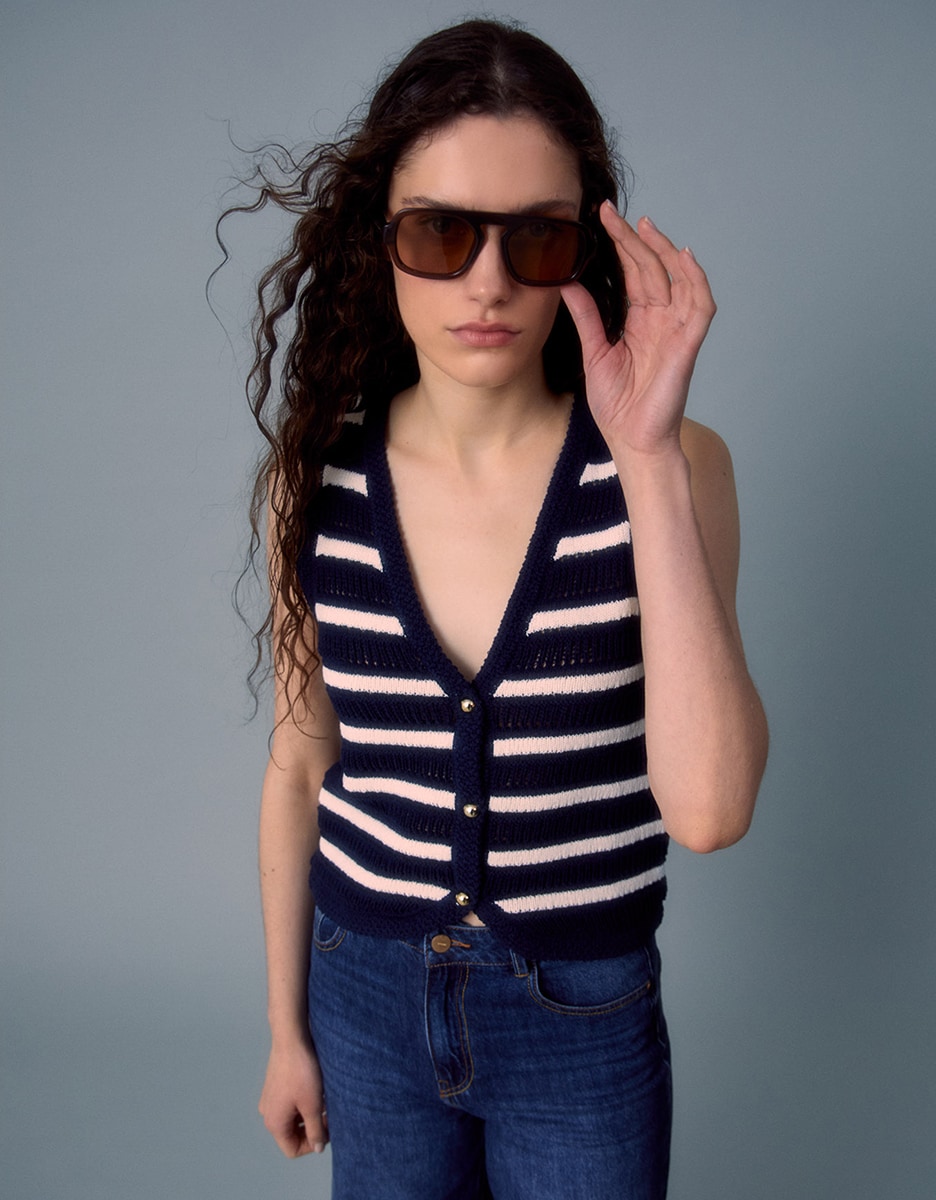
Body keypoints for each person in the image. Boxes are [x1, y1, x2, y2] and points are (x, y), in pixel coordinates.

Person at [231, 18, 768, 1199]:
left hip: (579, 1015)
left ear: (585, 250)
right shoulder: (312, 480)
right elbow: (299, 762)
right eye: (441, 233)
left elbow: (711, 808)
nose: (486, 282)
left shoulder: (673, 468)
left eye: (536, 239)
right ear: (378, 240)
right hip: (361, 991)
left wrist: (645, 460)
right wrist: (285, 1030)